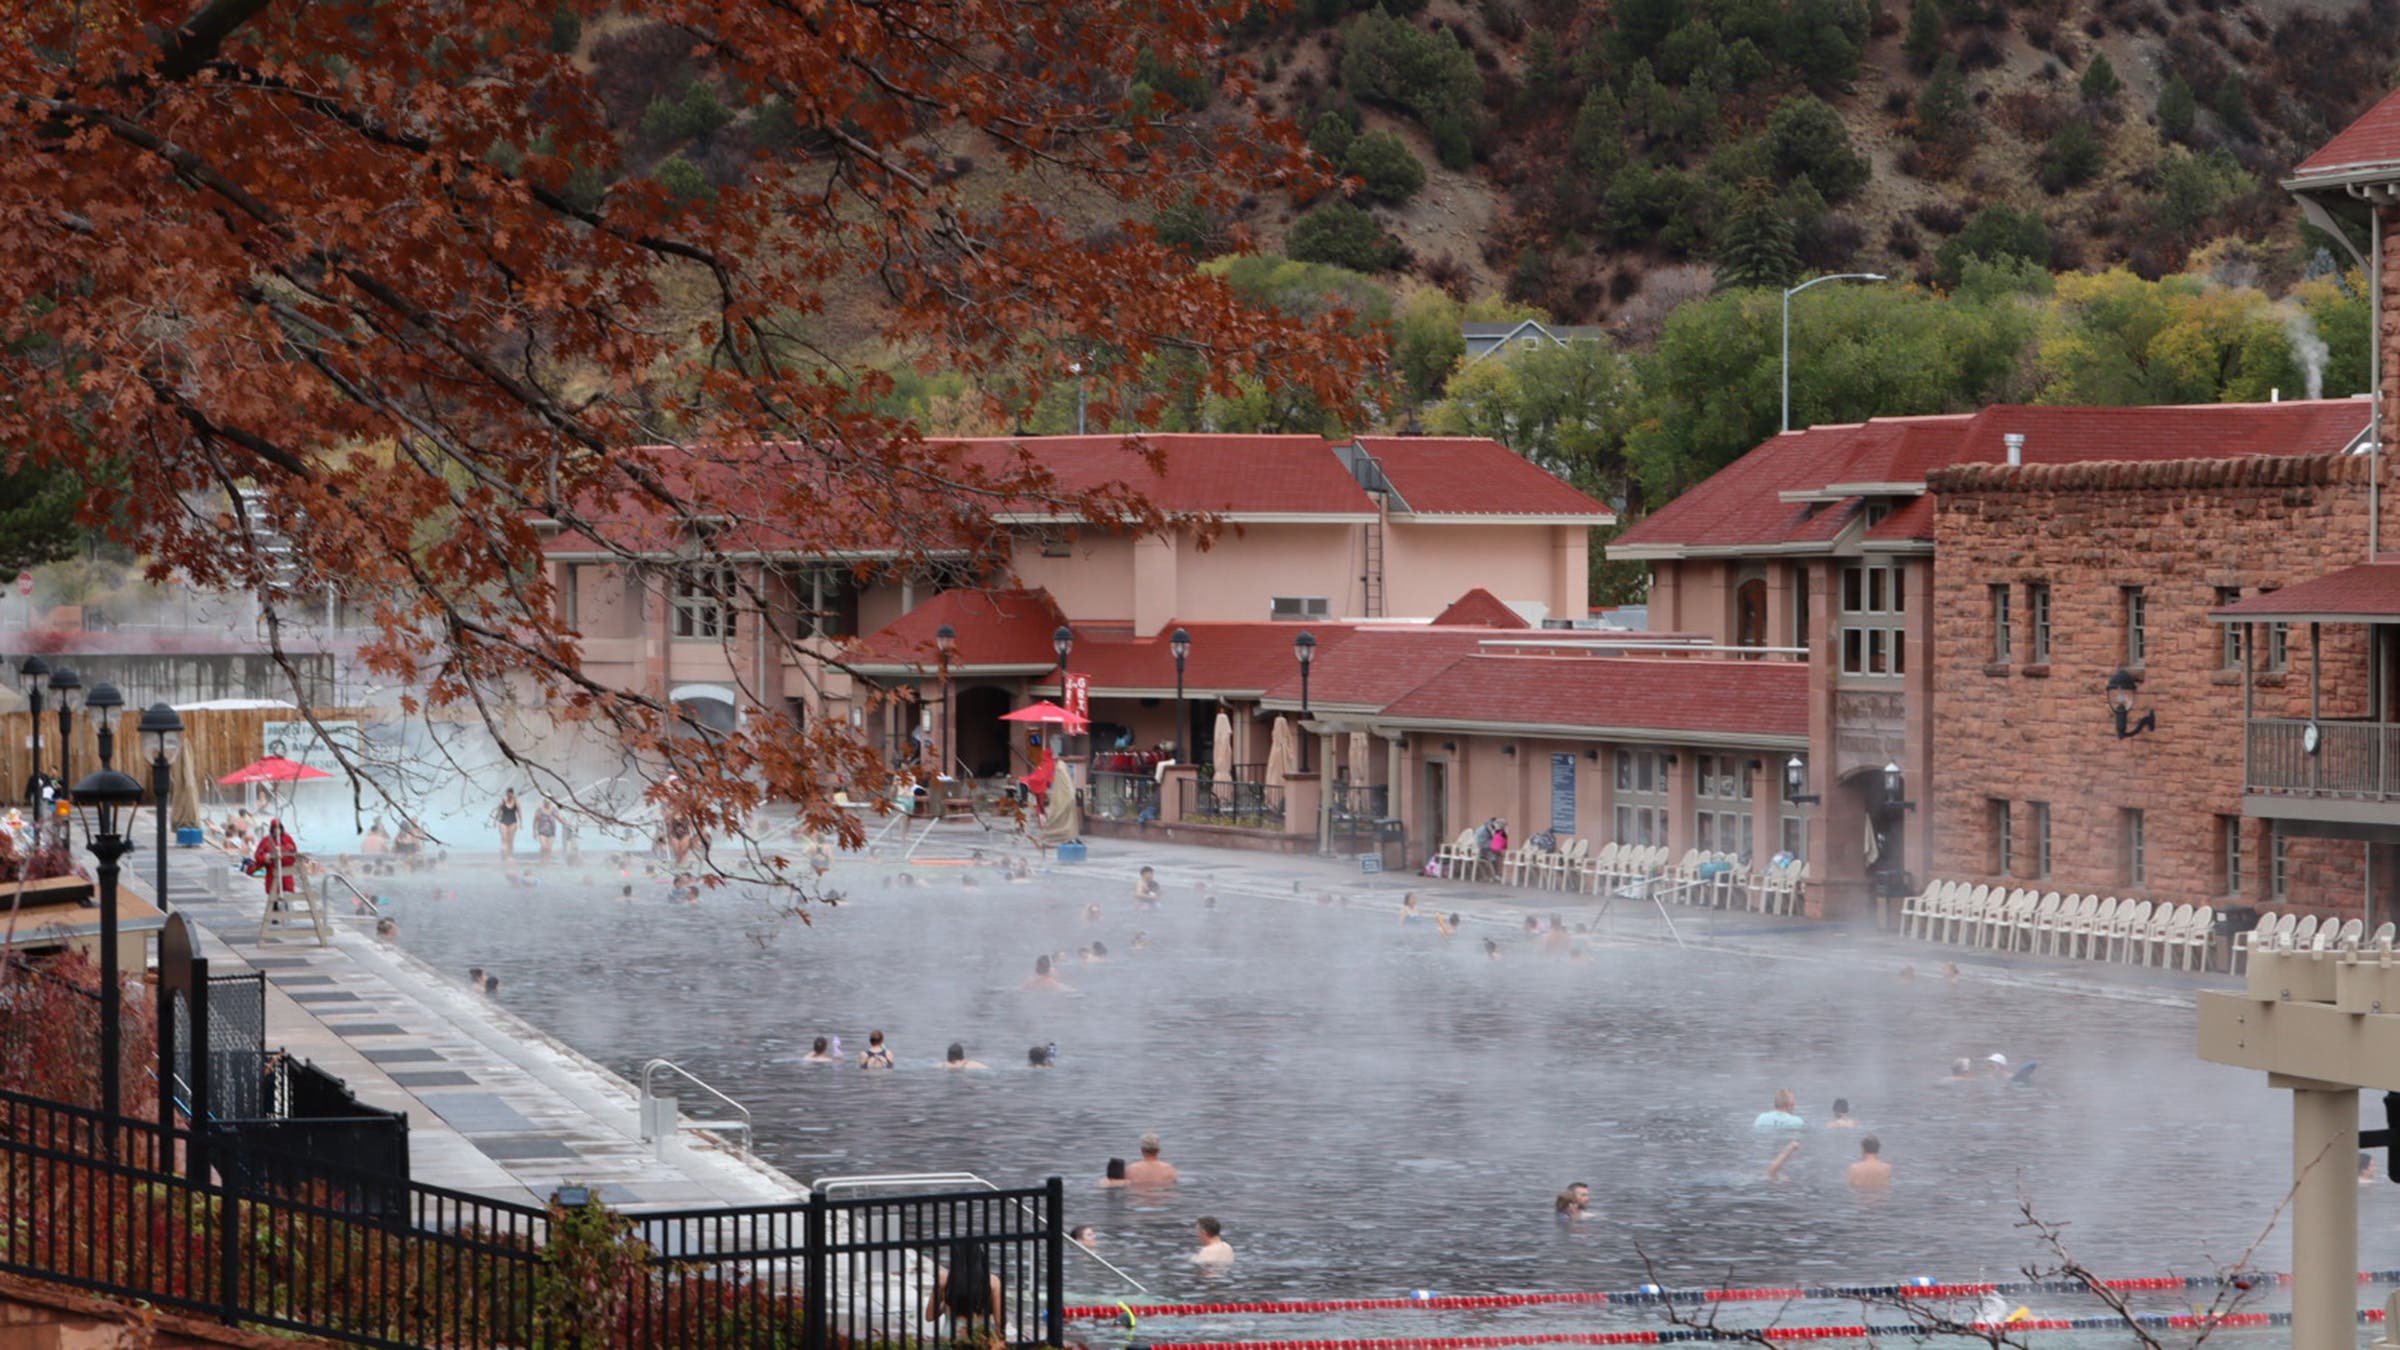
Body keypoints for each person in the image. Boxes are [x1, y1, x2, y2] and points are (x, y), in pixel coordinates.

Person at [924, 1239, 1003, 1342]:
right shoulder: (993, 1282)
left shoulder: (944, 1279)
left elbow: (929, 1316)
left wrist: (944, 1307)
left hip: (950, 1339)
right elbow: (999, 1323)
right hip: (980, 1339)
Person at [244, 818, 302, 901]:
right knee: (274, 897)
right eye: (275, 828)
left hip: (286, 872)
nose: (277, 830)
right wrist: (265, 859)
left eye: (278, 828)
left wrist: (283, 856)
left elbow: (293, 854)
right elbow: (257, 855)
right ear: (272, 829)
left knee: (288, 896)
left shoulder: (287, 839)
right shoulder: (266, 840)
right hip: (272, 872)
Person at [492, 789, 521, 859]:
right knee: (504, 837)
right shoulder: (503, 802)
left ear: (512, 794)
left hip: (513, 822)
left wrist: (521, 822)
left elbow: (519, 812)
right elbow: (498, 812)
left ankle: (510, 854)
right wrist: (495, 821)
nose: (509, 795)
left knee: (510, 839)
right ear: (506, 794)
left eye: (510, 794)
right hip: (503, 821)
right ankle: (504, 852)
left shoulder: (516, 802)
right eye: (508, 794)